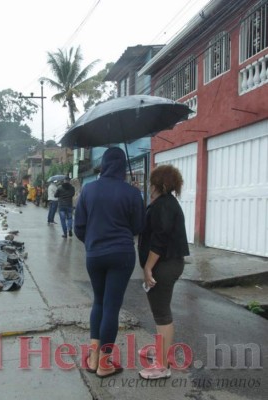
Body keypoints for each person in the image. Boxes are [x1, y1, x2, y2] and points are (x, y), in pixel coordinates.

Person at [74, 147, 145, 378]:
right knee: (112, 307)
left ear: (103, 165)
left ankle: (94, 358)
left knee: (99, 303)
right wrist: (135, 195)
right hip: (122, 254)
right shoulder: (132, 193)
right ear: (123, 167)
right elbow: (137, 227)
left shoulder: (88, 189)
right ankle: (105, 363)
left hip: (94, 254)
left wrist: (94, 242)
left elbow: (79, 228)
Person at [137, 164, 189, 380]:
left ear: (158, 184)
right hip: (168, 263)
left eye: (151, 183)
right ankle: (160, 352)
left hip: (164, 265)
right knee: (160, 311)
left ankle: (163, 365)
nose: (149, 186)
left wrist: (148, 267)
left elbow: (159, 239)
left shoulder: (163, 206)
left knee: (161, 314)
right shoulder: (164, 204)